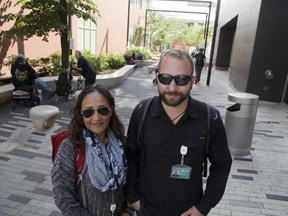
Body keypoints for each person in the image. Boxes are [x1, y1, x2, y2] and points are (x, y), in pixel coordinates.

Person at [124, 48, 232, 216]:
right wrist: (132, 196)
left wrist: (203, 207)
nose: (172, 87)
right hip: (146, 209)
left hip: (188, 211)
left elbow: (222, 164)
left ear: (192, 80)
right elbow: (131, 155)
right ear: (157, 78)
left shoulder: (210, 118)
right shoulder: (141, 113)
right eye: (165, 78)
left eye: (181, 79)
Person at [51, 84, 133, 216]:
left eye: (103, 110)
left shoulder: (120, 143)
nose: (96, 118)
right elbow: (63, 196)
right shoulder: (71, 147)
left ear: (111, 110)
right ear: (81, 113)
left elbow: (131, 181)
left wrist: (128, 210)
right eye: (89, 112)